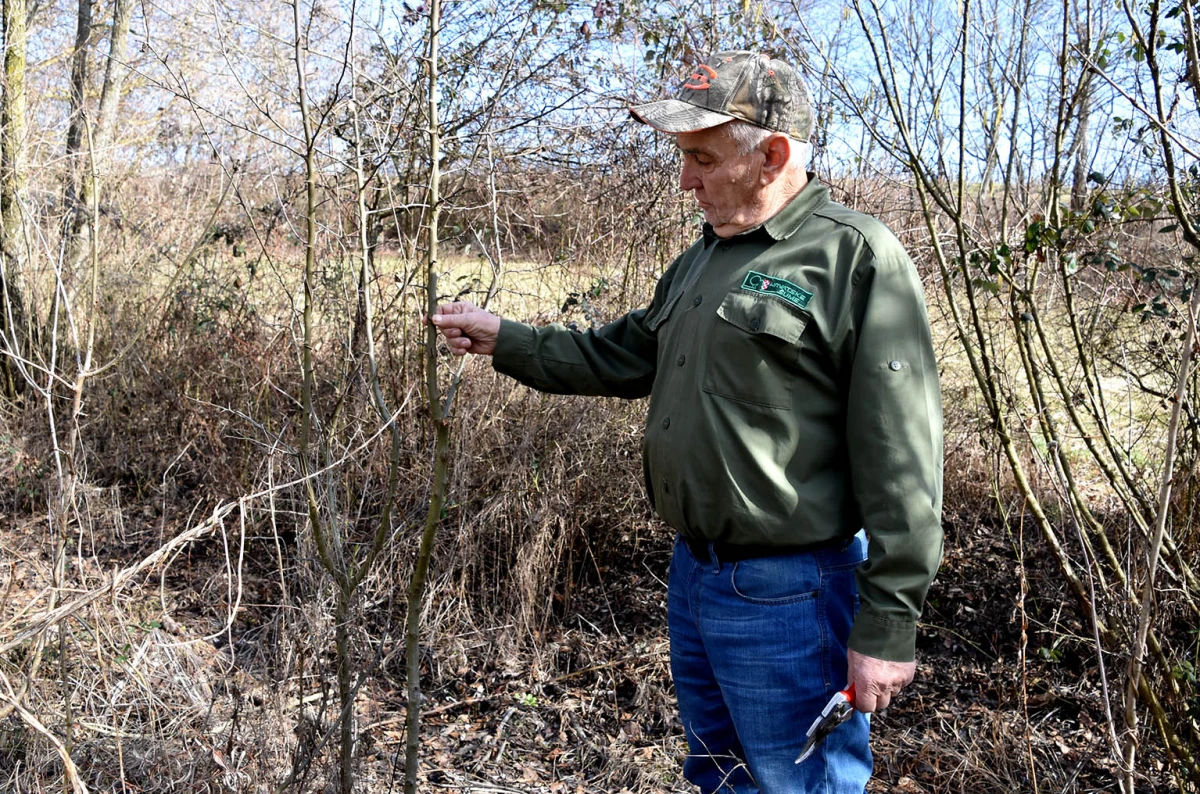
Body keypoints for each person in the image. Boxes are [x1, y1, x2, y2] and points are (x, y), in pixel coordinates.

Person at [431, 51, 943, 794]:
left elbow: (904, 457)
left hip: (793, 592)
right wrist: (503, 337)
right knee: (720, 776)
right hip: (695, 576)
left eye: (701, 159)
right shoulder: (703, 260)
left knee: (798, 784)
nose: (684, 182)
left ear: (772, 155)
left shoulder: (853, 257)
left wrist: (889, 625)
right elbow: (619, 357)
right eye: (683, 158)